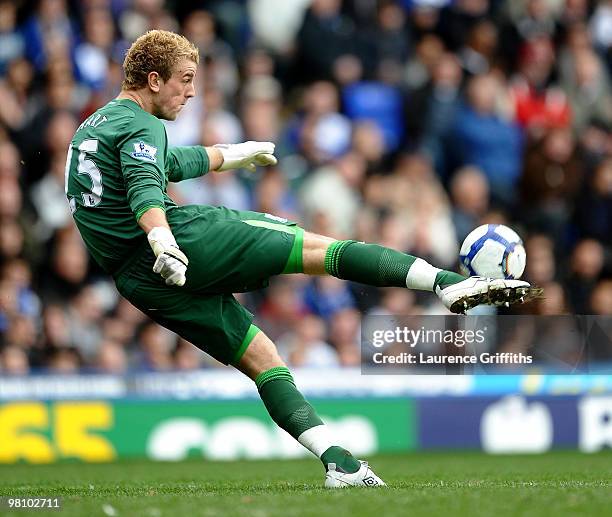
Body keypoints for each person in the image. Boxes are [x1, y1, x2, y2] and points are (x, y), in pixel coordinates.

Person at [65, 30, 534, 488]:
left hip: (135, 278)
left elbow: (162, 164)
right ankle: (445, 282)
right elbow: (147, 190)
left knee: (259, 355)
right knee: (314, 248)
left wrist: (229, 155)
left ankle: (340, 464)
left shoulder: (97, 125)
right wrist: (163, 239)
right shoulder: (142, 124)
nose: (192, 92)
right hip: (180, 241)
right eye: (185, 79)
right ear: (153, 80)